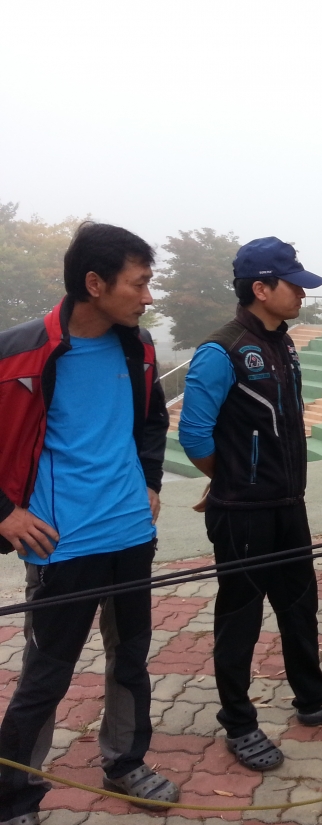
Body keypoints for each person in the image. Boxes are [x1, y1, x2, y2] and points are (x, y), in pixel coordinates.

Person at [0, 223, 178, 823]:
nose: (148, 297)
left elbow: (152, 421)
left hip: (132, 535)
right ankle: (13, 796)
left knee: (131, 660)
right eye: (139, 283)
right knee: (46, 677)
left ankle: (126, 762)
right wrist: (5, 514)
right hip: (61, 544)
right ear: (95, 283)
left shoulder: (139, 348)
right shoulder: (18, 351)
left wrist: (149, 481)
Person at [178, 237, 322, 771]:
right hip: (242, 513)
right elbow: (194, 435)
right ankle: (239, 723)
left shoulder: (282, 343)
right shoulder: (220, 351)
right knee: (239, 619)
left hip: (288, 504)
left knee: (299, 605)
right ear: (261, 289)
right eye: (294, 285)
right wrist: (232, 480)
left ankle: (313, 698)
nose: (302, 294)